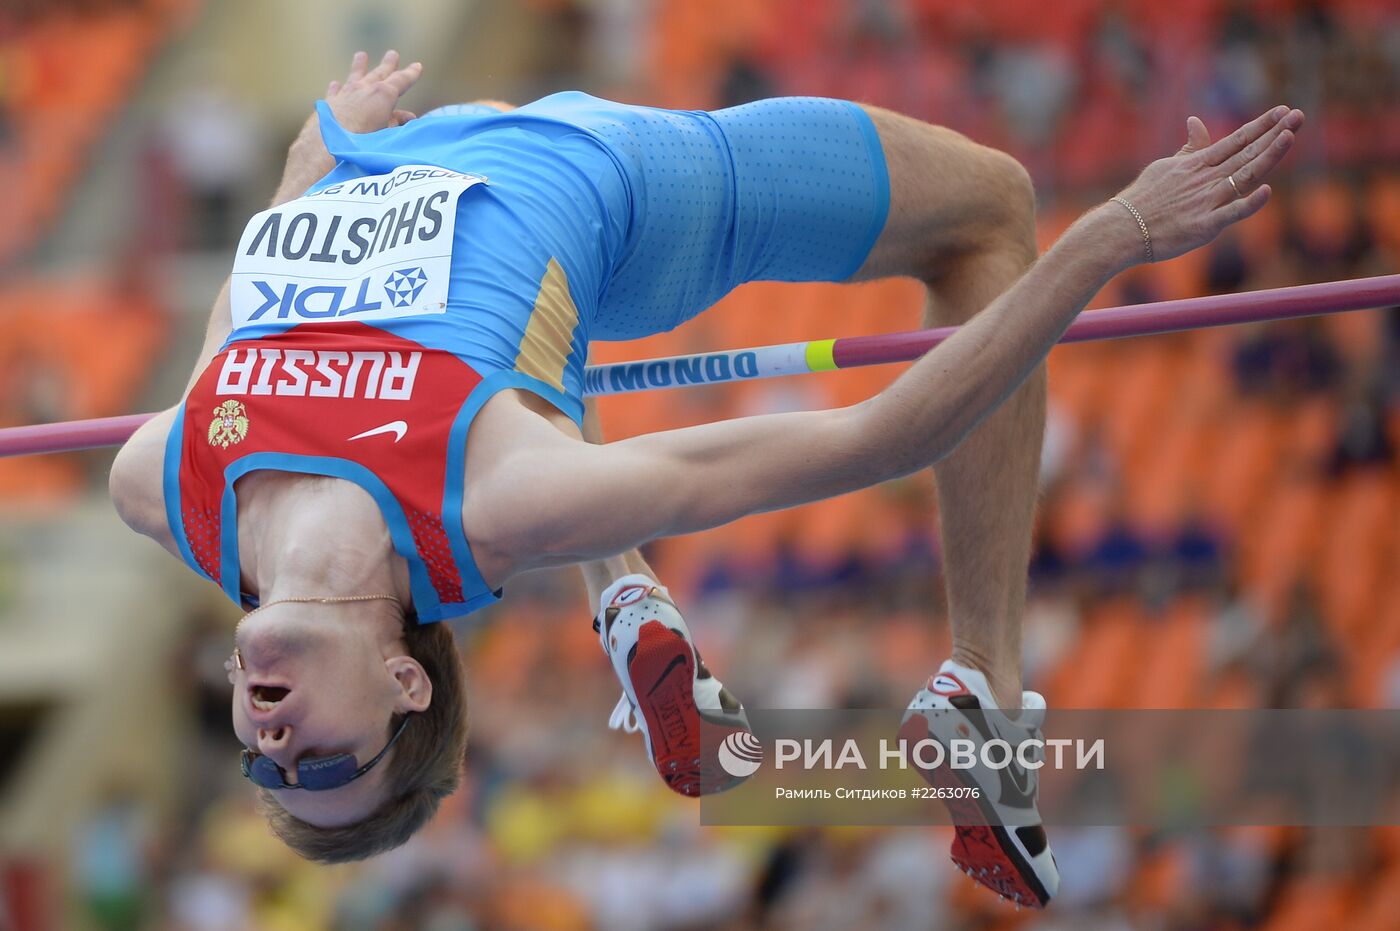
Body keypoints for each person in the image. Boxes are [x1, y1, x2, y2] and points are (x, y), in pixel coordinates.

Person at [108, 50, 1303, 906]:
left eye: (266, 766)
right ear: (401, 687)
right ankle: (980, 682)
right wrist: (1110, 238)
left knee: (543, 391)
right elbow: (871, 439)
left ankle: (620, 590)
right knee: (990, 207)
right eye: (323, 762)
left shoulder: (163, 482)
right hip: (611, 184)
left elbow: (245, 299)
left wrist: (310, 157)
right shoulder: (491, 498)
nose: (270, 741)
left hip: (387, 155)